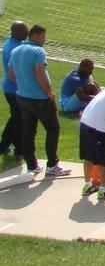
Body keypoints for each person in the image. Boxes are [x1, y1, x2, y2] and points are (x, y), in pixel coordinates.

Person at [9, 25, 70, 177]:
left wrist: (24, 86)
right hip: (40, 99)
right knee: (53, 129)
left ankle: (32, 166)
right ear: (35, 35)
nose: (45, 40)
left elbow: (11, 74)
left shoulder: (15, 50)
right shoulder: (38, 51)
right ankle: (52, 165)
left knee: (28, 132)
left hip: (22, 97)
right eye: (43, 36)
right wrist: (49, 92)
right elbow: (40, 73)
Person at [0, 21, 28, 157]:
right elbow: (14, 73)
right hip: (14, 89)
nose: (27, 32)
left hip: (11, 88)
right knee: (19, 119)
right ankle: (18, 148)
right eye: (24, 30)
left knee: (16, 118)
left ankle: (5, 144)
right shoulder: (13, 48)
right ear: (15, 32)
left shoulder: (14, 44)